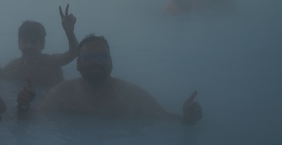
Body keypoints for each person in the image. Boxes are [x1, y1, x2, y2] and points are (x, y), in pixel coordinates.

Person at [16, 34, 202, 124]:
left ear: (111, 62)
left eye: (102, 57)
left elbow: (166, 120)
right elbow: (32, 121)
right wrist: (23, 106)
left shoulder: (132, 95)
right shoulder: (63, 93)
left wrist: (187, 118)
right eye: (88, 57)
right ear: (78, 65)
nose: (96, 62)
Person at [0, 5, 78, 87]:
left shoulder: (51, 62)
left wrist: (69, 32)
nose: (29, 46)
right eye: (25, 41)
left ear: (42, 44)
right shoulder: (15, 66)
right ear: (19, 44)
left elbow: (73, 53)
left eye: (34, 42)